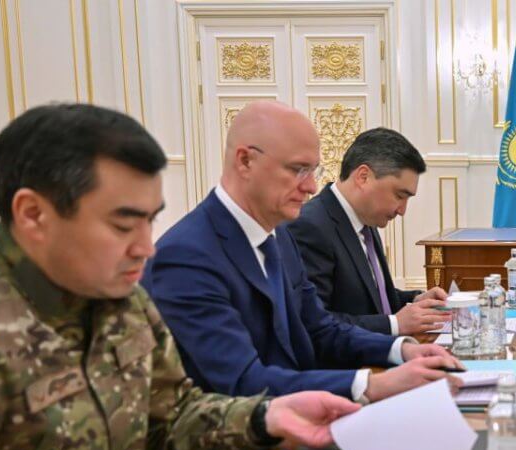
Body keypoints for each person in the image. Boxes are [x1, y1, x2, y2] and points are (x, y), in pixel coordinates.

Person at [0, 103, 364, 450]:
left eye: (150, 221)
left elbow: (170, 418)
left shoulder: (124, 304)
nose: (146, 247)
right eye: (123, 225)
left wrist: (265, 417)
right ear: (33, 214)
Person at [143, 101, 458, 401]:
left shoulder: (279, 234)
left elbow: (320, 328)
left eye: (313, 171)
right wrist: (371, 384)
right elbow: (242, 382)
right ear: (245, 161)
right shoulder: (185, 257)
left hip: (303, 410)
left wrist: (402, 350)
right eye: (298, 170)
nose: (311, 187)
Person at [288, 128, 449, 336]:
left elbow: (372, 298)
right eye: (399, 196)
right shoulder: (310, 227)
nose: (402, 210)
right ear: (363, 177)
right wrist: (394, 324)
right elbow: (313, 323)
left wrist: (414, 300)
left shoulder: (366, 221)